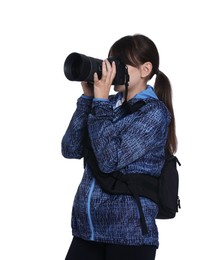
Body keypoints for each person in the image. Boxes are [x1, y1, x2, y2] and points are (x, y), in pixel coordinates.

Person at [61, 34, 177, 260]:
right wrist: (88, 99)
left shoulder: (155, 113)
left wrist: (100, 102)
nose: (112, 69)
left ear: (145, 69)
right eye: (111, 61)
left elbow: (109, 160)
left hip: (129, 236)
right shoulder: (106, 106)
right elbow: (70, 148)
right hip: (88, 231)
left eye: (121, 64)